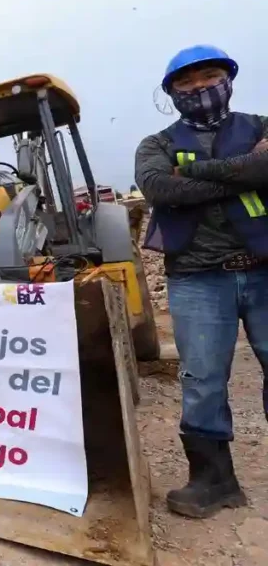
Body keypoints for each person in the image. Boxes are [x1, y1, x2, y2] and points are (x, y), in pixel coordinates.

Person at [135, 44, 268, 519]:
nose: (198, 89)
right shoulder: (156, 144)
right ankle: (214, 480)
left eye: (208, 77)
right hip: (197, 276)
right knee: (202, 380)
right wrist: (247, 173)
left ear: (228, 79)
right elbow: (160, 188)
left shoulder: (260, 126)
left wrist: (193, 172)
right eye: (185, 84)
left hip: (263, 265)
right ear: (170, 93)